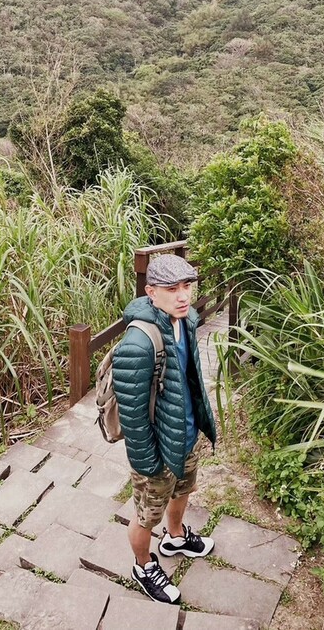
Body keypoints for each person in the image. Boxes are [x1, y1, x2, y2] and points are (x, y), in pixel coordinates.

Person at [112, 253, 217, 605]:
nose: (183, 295)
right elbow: (133, 419)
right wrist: (148, 464)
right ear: (151, 292)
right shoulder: (139, 344)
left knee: (184, 489)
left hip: (184, 435)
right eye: (172, 288)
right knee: (145, 516)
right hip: (155, 452)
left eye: (187, 285)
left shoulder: (185, 320)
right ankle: (143, 566)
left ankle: (174, 536)